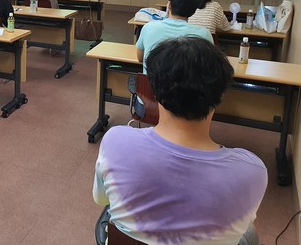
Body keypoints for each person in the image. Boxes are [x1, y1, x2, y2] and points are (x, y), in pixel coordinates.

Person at [93, 37, 267, 245]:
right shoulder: (252, 171)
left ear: (153, 92)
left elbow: (101, 199)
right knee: (249, 233)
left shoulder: (115, 141)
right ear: (220, 97)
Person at [136, 0, 213, 66]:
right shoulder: (204, 34)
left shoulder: (148, 28)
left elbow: (140, 58)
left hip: (153, 78)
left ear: (169, 5)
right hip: (187, 78)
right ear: (194, 11)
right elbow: (208, 64)